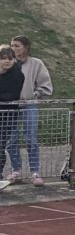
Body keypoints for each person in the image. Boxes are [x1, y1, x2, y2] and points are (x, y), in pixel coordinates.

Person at [7, 36, 52, 186]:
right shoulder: (7, 63)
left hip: (28, 105)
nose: (14, 48)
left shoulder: (36, 63)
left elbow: (45, 85)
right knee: (11, 139)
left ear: (26, 47)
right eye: (12, 45)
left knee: (31, 138)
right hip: (10, 106)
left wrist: (35, 95)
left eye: (17, 46)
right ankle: (16, 170)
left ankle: (35, 171)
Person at [0, 46, 25, 186]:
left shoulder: (17, 74)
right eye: (3, 58)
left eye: (10, 58)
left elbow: (12, 95)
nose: (7, 61)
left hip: (8, 115)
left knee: (0, 145)